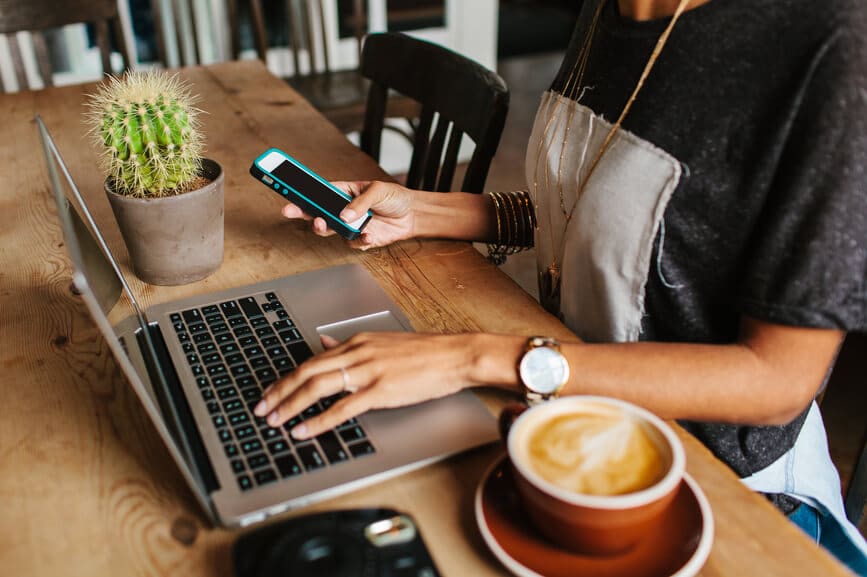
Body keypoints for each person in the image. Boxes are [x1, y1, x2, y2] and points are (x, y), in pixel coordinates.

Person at [255, 0, 867, 572]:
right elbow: (582, 208)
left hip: (707, 485)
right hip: (562, 409)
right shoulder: (607, 10)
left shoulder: (829, 43)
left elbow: (777, 378)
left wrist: (473, 356)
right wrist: (420, 213)